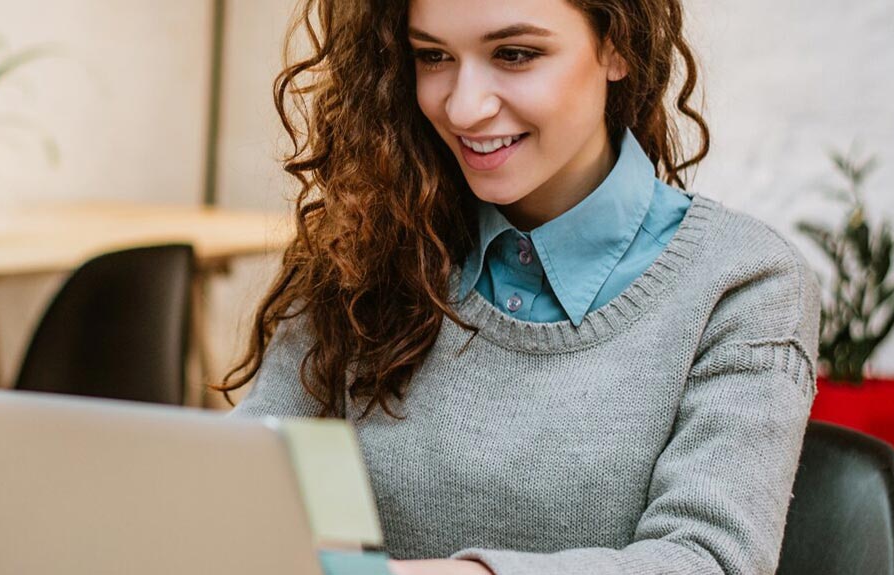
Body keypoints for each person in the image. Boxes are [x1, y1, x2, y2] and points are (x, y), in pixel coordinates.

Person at [218, 1, 820, 574]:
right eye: (433, 56)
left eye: (514, 54)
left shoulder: (744, 283)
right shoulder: (365, 246)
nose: (464, 108)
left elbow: (708, 561)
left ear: (618, 46)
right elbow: (243, 491)